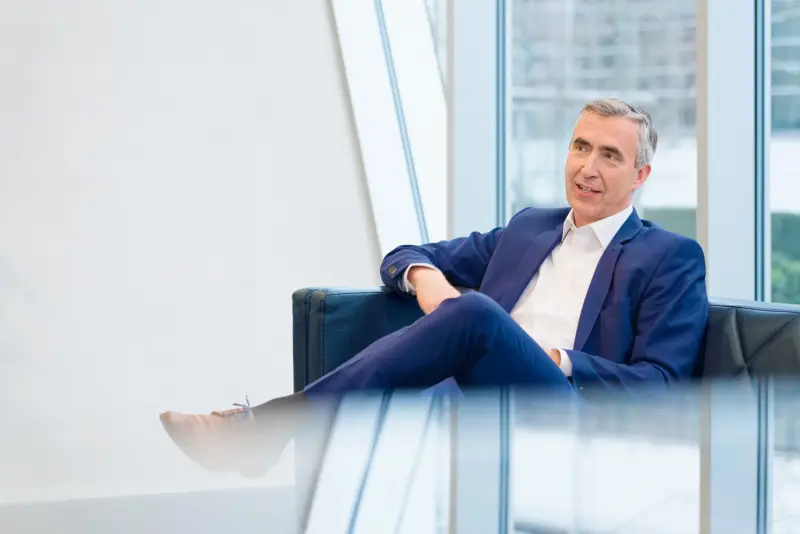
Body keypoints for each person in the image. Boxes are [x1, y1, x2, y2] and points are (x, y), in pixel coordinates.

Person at [159, 97, 710, 477]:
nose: (588, 167)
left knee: (476, 314)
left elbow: (662, 385)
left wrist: (560, 360)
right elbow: (404, 255)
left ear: (641, 176)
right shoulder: (528, 229)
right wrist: (426, 281)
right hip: (472, 400)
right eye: (580, 146)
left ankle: (270, 426)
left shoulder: (669, 257)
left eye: (610, 156)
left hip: (571, 419)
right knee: (402, 403)